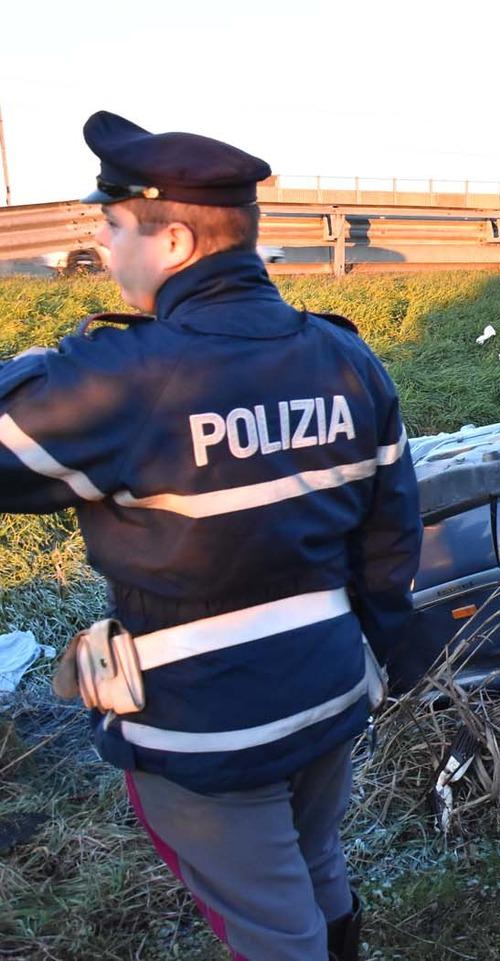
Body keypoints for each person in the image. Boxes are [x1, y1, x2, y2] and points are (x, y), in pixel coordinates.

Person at [0, 111, 422, 960]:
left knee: (269, 928)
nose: (103, 245)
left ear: (177, 241)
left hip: (205, 725)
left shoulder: (123, 378)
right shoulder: (345, 356)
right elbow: (390, 535)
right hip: (332, 687)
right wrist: (382, 655)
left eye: (113, 226)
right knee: (314, 866)